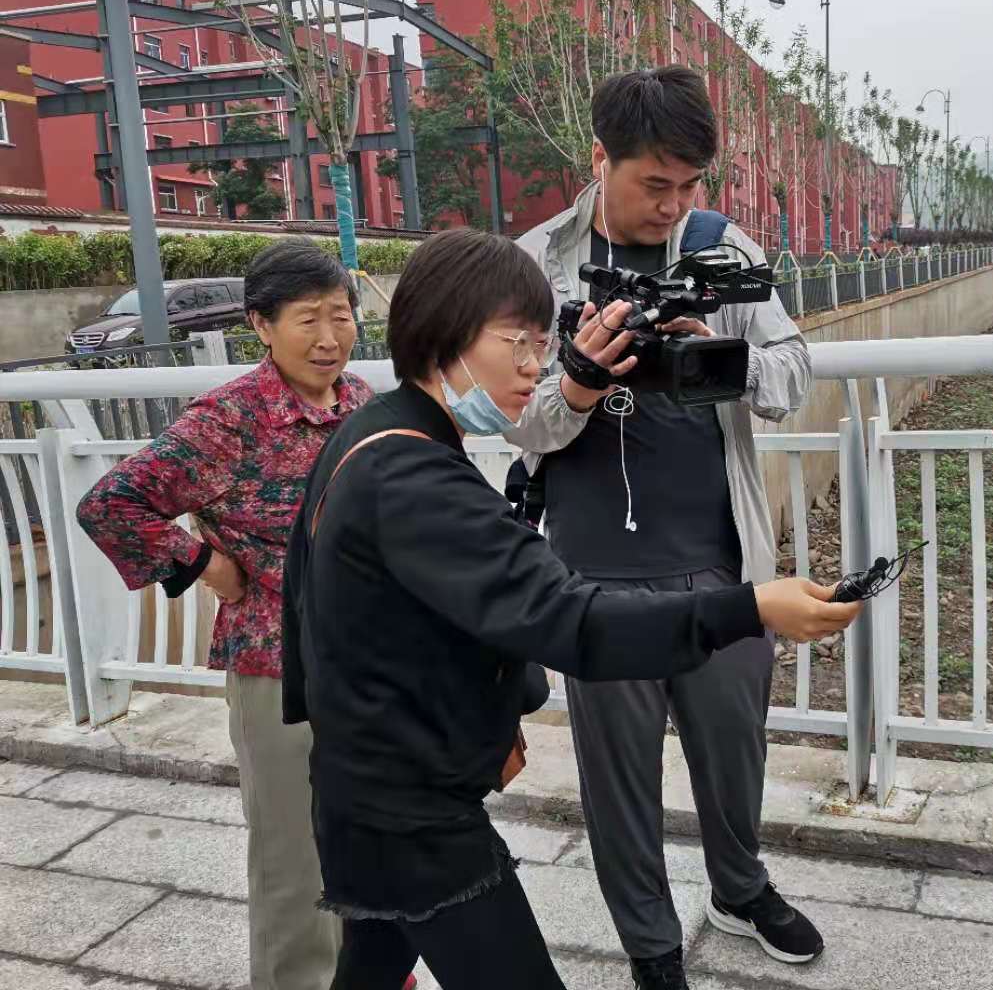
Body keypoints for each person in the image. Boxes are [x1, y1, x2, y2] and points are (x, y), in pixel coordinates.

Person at [279, 228, 859, 990]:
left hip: (365, 786)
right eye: (514, 342)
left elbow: (302, 595)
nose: (535, 366)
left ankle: (738, 888)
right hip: (413, 816)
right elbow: (576, 623)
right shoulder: (413, 478)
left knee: (371, 967)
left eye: (541, 343)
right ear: (441, 336)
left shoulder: (375, 429)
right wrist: (752, 607)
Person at [507, 65, 816, 990]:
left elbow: (795, 373)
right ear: (599, 158)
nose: (672, 206)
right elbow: (514, 423)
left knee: (735, 752)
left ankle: (740, 885)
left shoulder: (723, 249)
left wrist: (714, 354)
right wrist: (580, 380)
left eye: (689, 186)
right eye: (654, 184)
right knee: (620, 786)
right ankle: (649, 946)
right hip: (593, 576)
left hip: (722, 564)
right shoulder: (533, 264)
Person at [77, 240, 371, 990]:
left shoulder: (362, 403)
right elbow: (110, 503)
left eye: (341, 316)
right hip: (279, 667)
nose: (330, 337)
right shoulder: (230, 419)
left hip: (368, 664)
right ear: (261, 325)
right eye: (308, 319)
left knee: (367, 841)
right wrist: (204, 563)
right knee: (293, 862)